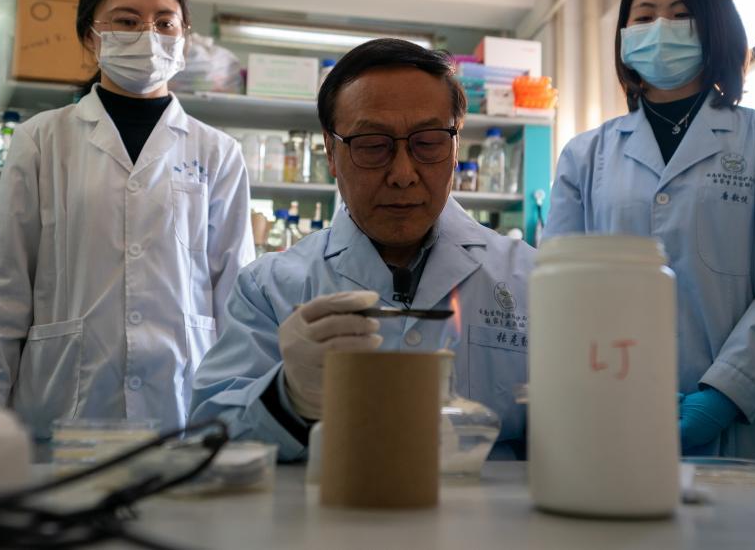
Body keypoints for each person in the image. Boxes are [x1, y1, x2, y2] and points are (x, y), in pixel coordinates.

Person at [544, 0, 755, 459]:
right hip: (620, 422)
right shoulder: (585, 157)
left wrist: (728, 392)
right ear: (624, 37)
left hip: (751, 434)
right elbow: (562, 296)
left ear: (715, 27)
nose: (661, 28)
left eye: (681, 14)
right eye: (644, 17)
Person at [191, 39, 533, 461]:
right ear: (331, 153)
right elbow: (208, 437)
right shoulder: (268, 287)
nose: (403, 174)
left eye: (428, 142)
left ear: (455, 147)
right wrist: (286, 398)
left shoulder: (529, 279)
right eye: (372, 145)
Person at [0, 0, 254, 435]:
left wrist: (238, 413)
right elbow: (3, 290)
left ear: (183, 35)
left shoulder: (217, 152)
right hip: (63, 402)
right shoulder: (41, 140)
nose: (148, 36)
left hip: (183, 403)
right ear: (89, 35)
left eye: (165, 23)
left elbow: (235, 297)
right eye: (127, 21)